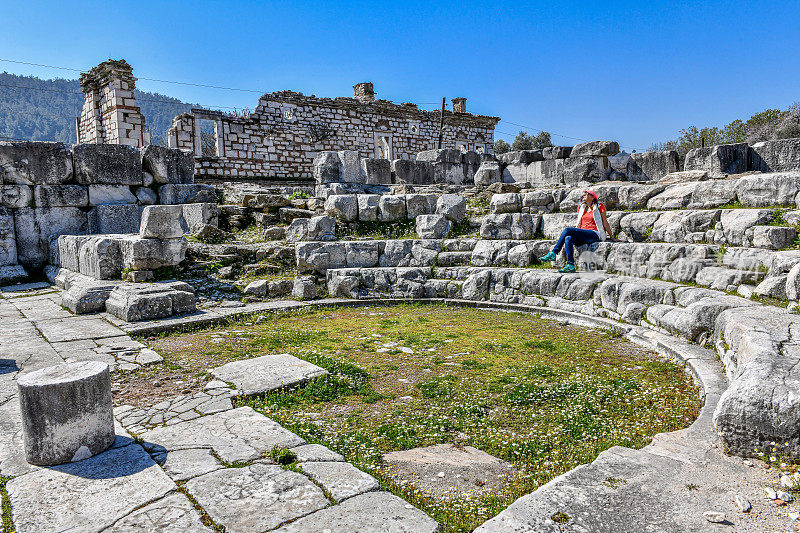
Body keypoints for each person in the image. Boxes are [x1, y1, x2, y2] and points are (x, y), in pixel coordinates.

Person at [538, 190, 613, 273]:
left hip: (594, 233)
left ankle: (554, 253)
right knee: (568, 238)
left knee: (567, 230)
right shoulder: (582, 207)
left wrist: (612, 237)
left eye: (587, 194)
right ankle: (570, 265)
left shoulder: (599, 206)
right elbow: (580, 222)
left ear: (592, 197)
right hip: (583, 233)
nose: (584, 195)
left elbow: (605, 222)